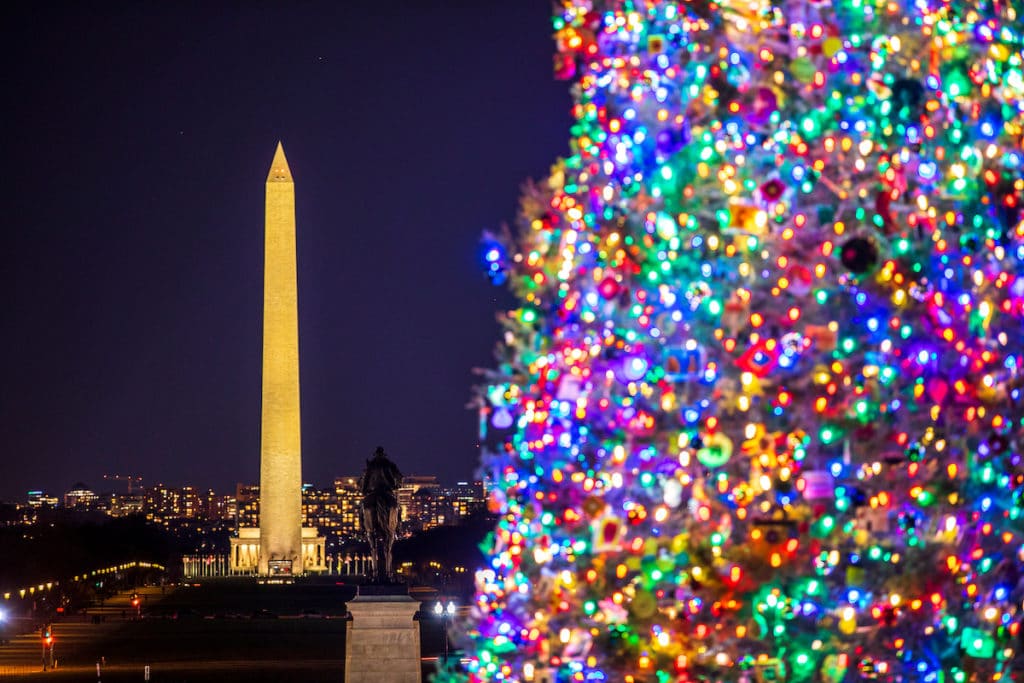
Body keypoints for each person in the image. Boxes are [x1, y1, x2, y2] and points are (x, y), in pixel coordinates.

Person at [360, 447, 403, 582]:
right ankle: (399, 527)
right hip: (387, 493)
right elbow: (399, 479)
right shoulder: (390, 465)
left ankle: (363, 528)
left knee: (362, 508)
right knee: (397, 508)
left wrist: (364, 489)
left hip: (372, 494)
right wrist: (395, 485)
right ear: (384, 455)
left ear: (375, 455)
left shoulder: (371, 465)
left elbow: (364, 484)